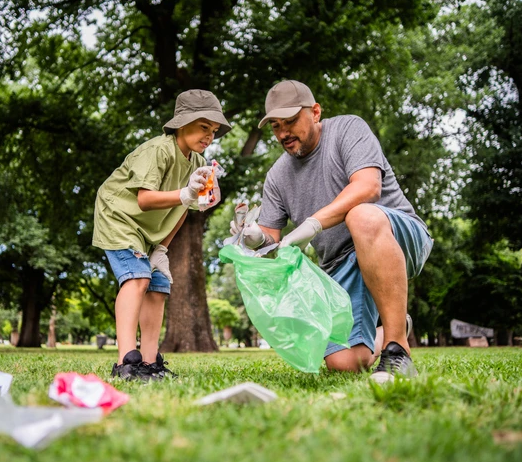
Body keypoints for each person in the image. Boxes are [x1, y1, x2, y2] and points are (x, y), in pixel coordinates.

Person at [232, 80, 432, 383]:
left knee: (361, 216)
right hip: (340, 262)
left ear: (315, 112)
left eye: (290, 121)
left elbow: (368, 187)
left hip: (397, 235)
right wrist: (255, 239)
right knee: (345, 363)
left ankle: (397, 350)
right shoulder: (277, 176)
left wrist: (313, 223)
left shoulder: (348, 129)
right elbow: (271, 243)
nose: (283, 133)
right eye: (275, 126)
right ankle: (394, 326)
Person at [93, 89, 231, 381]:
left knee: (158, 284)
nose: (209, 136)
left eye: (214, 130)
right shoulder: (158, 150)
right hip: (119, 216)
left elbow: (181, 211)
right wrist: (185, 193)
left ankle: (149, 362)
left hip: (150, 231)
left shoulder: (198, 163)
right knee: (138, 278)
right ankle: (126, 363)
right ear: (182, 124)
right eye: (203, 127)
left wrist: (162, 249)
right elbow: (144, 199)